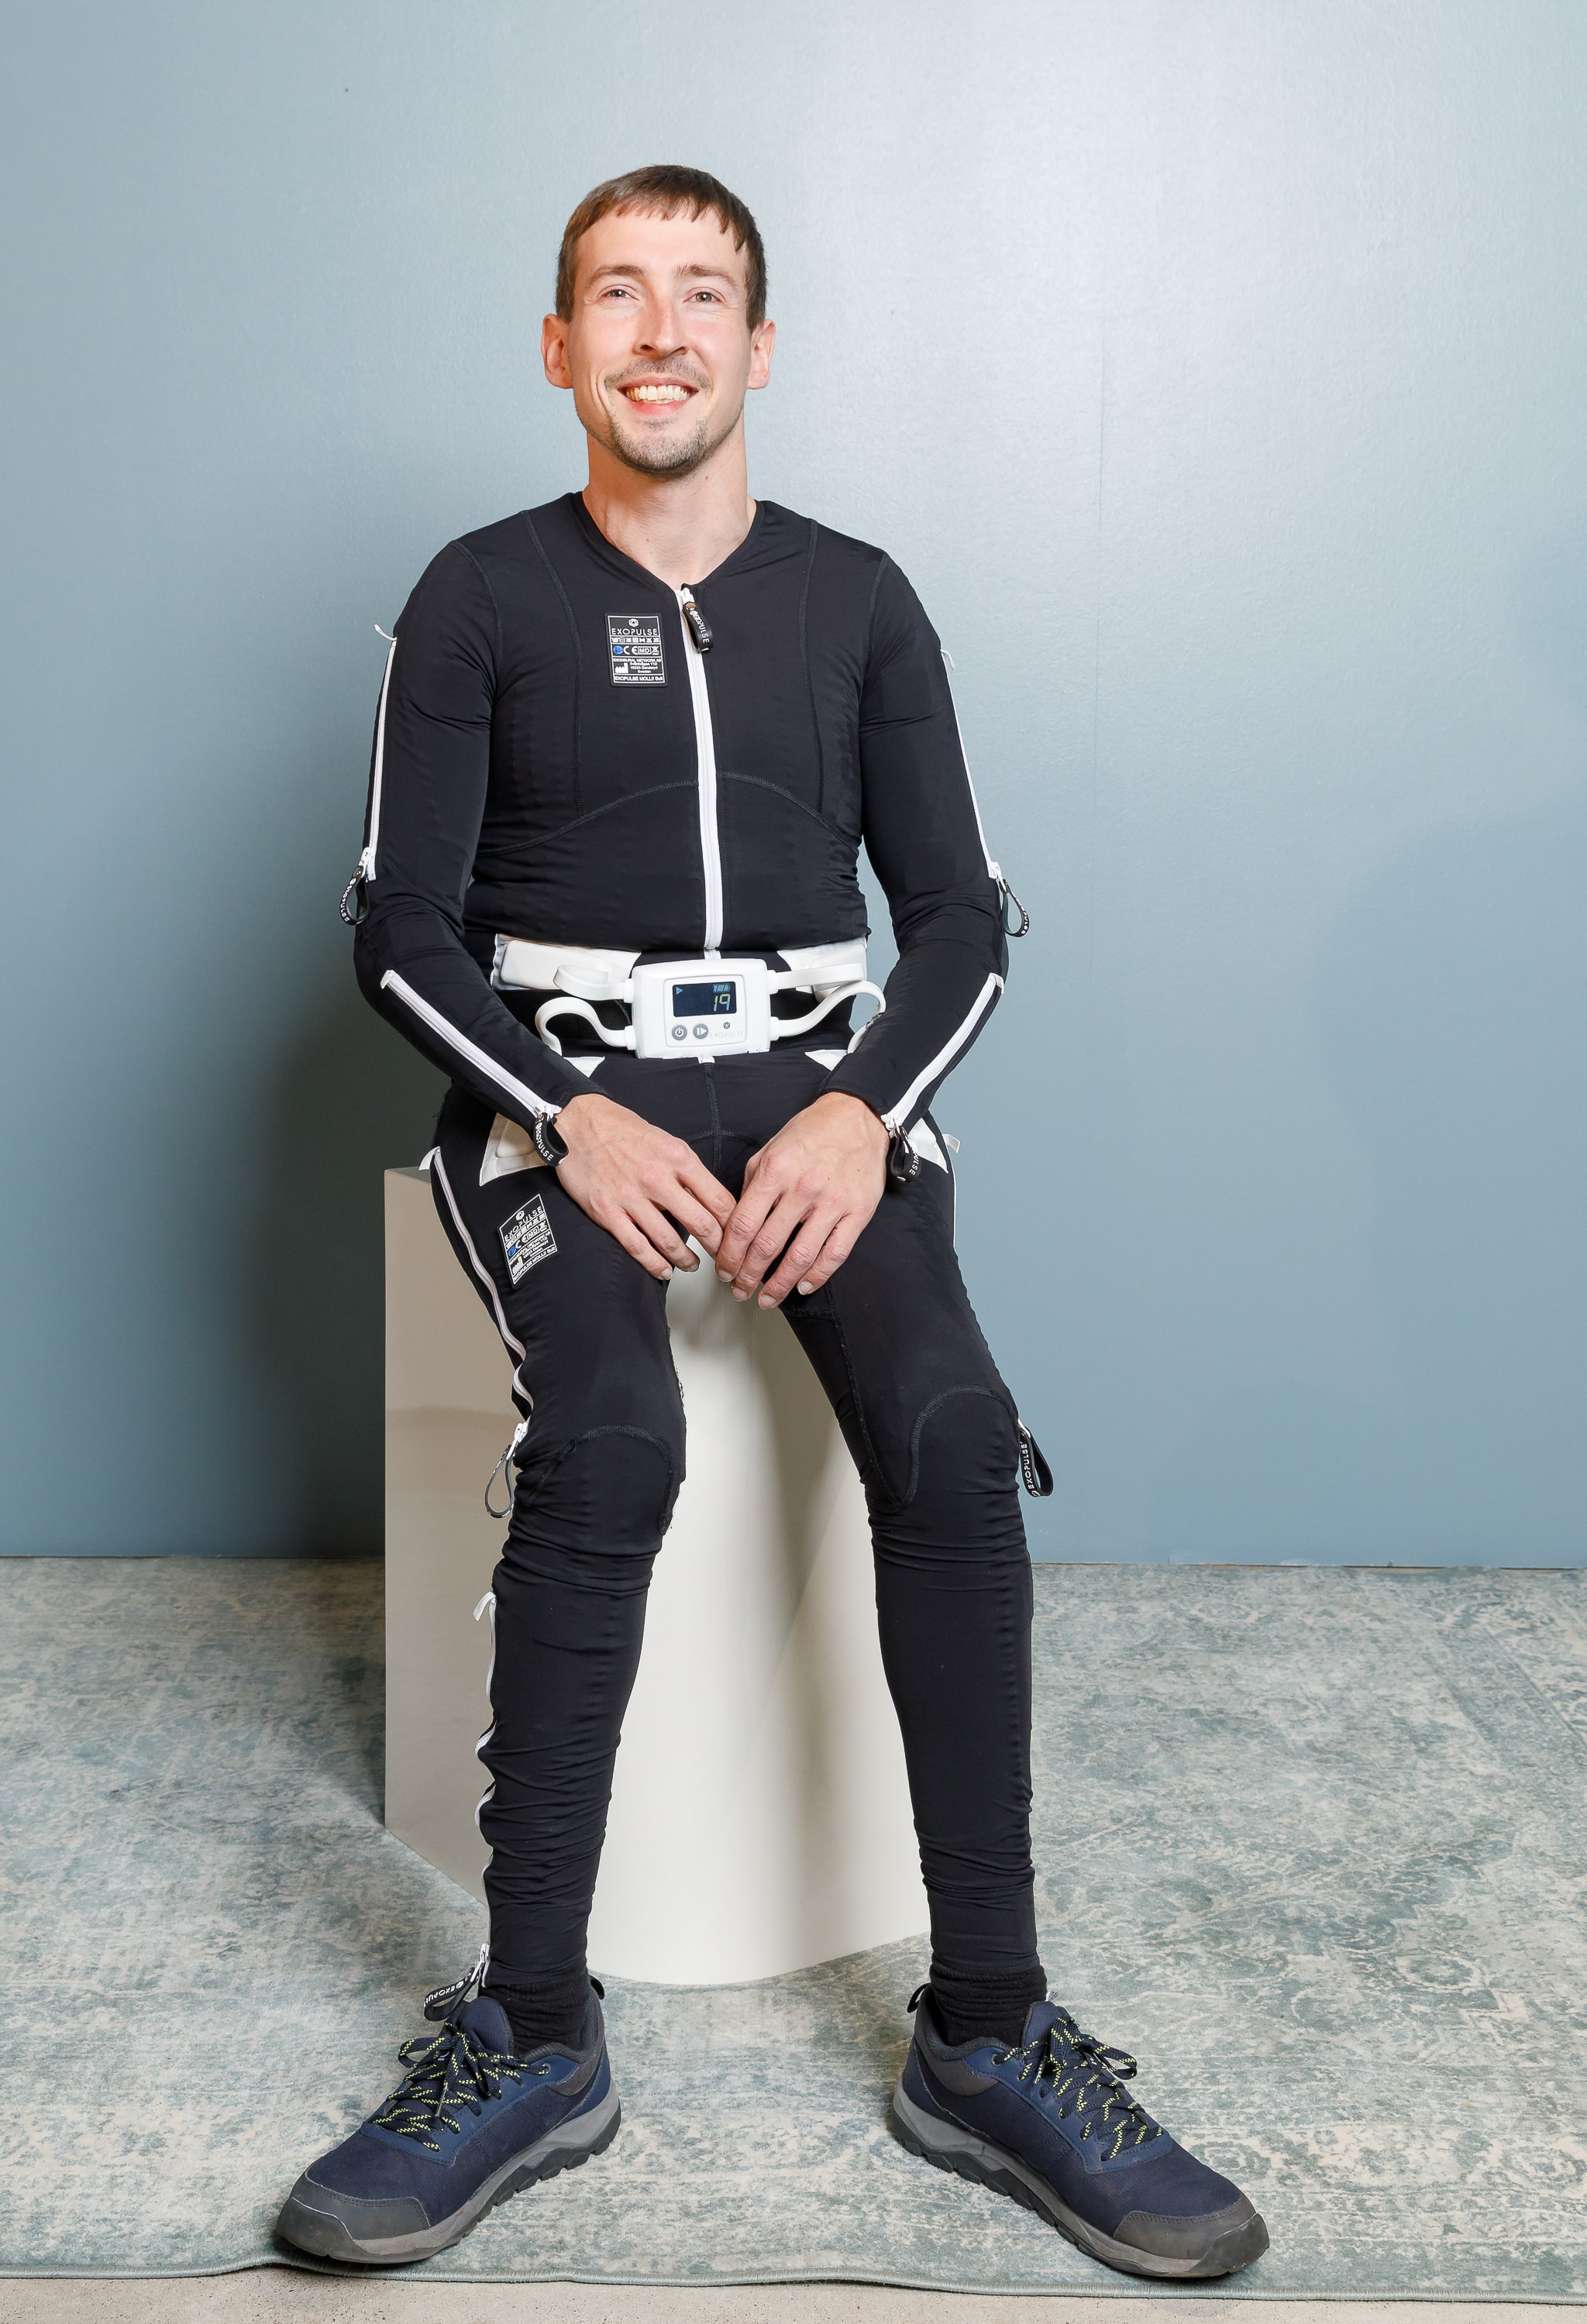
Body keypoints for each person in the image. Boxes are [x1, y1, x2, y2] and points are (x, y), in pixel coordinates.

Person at [277, 167, 1268, 2284]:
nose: (660, 331)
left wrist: (855, 1116)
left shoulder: (863, 598)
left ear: (760, 344)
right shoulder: (473, 598)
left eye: (701, 294)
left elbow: (965, 918)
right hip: (564, 1098)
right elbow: (396, 931)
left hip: (824, 1098)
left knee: (948, 1438)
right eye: (616, 296)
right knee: (615, 1444)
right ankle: (532, 2032)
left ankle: (987, 2035)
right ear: (558, 348)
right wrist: (569, 1115)